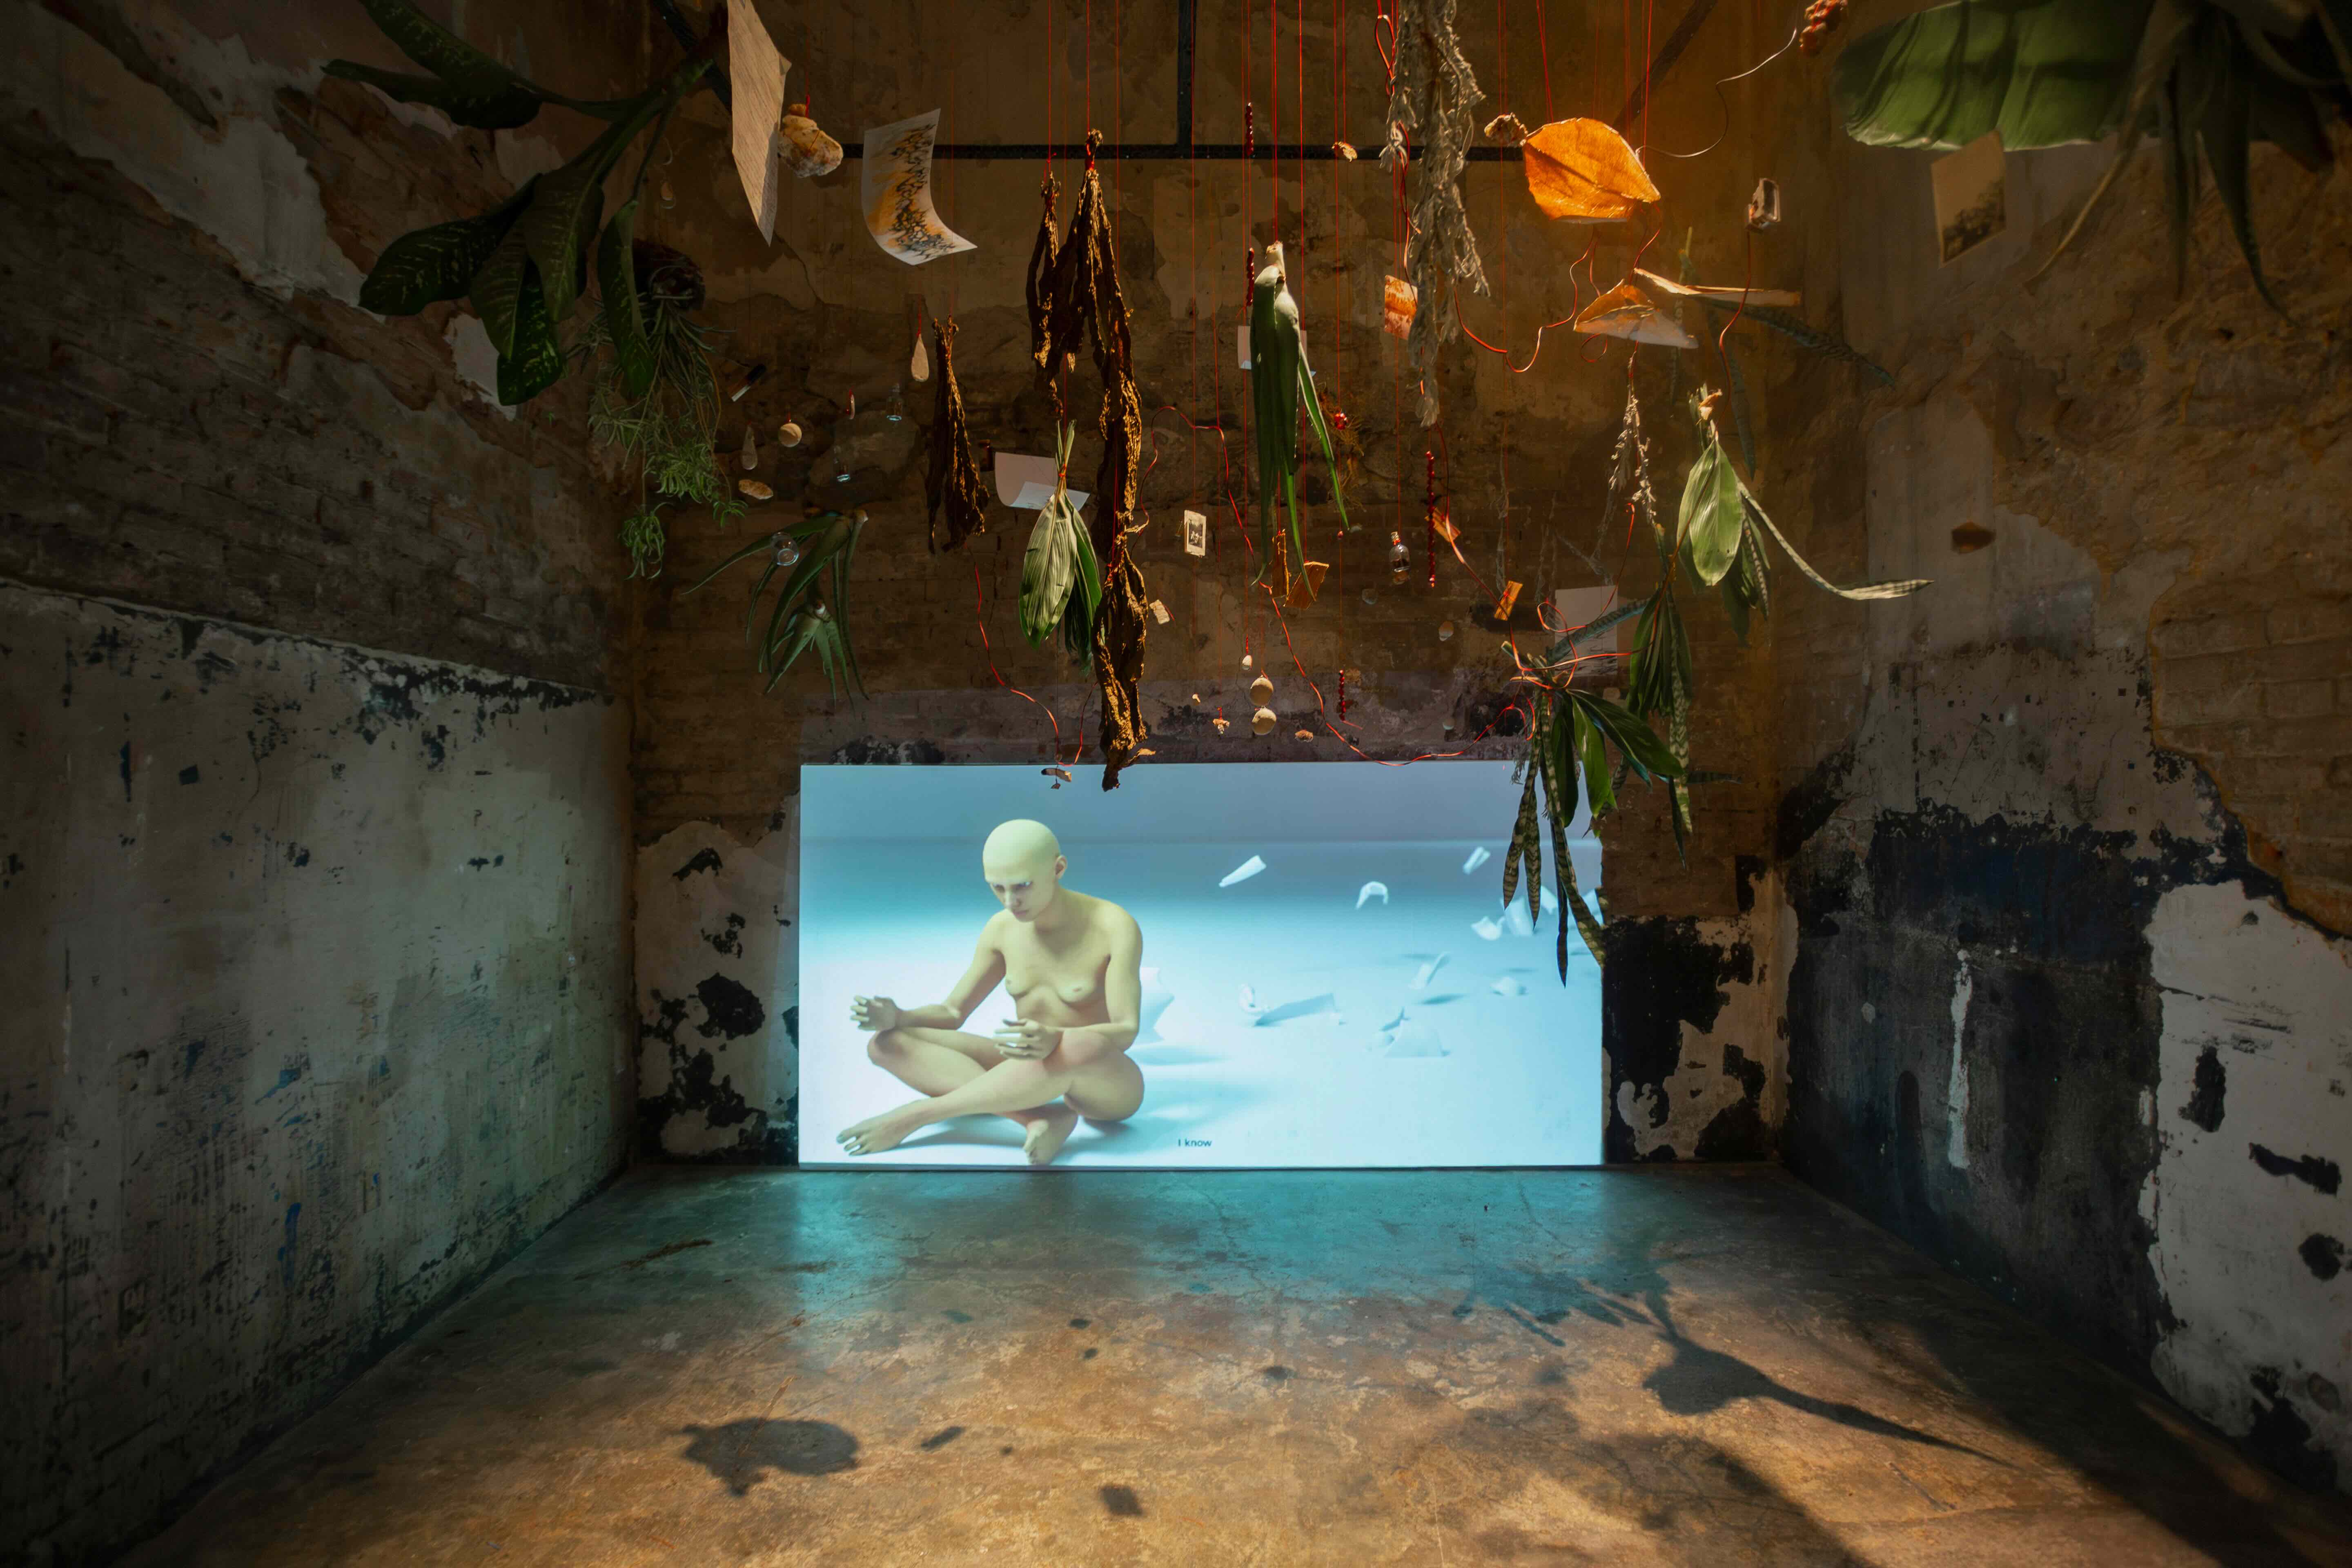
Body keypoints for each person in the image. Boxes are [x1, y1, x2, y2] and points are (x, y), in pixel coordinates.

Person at [837, 819, 1146, 1165]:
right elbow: (953, 1012)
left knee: (1077, 1043)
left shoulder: (1113, 926)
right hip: (1029, 1066)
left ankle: (918, 1115)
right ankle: (1038, 1118)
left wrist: (1057, 1037)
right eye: (998, 888)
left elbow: (1126, 1030)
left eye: (1023, 886)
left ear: (1058, 869)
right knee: (886, 1043)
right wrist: (898, 1016)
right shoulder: (1001, 930)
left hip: (1100, 1082)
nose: (1010, 902)